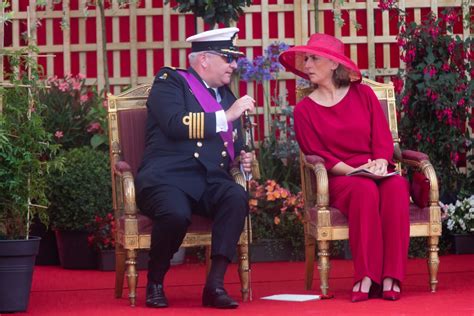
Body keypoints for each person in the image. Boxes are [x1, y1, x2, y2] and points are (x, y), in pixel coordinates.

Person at [279, 33, 410, 302]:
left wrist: (381, 162)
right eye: (306, 58)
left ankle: (390, 276)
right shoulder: (304, 110)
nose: (307, 64)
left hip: (376, 167)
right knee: (364, 190)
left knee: (397, 185)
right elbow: (316, 154)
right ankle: (366, 275)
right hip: (339, 177)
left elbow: (382, 137)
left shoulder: (363, 94)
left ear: (334, 64)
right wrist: (355, 170)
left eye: (314, 58)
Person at [135, 27, 255, 309]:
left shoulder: (226, 95)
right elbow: (176, 124)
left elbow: (231, 147)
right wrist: (227, 116)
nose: (234, 65)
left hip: (208, 179)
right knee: (176, 214)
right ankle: (155, 281)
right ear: (204, 60)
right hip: (167, 177)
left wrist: (242, 162)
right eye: (228, 58)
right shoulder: (171, 82)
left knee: (236, 197)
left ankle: (214, 285)